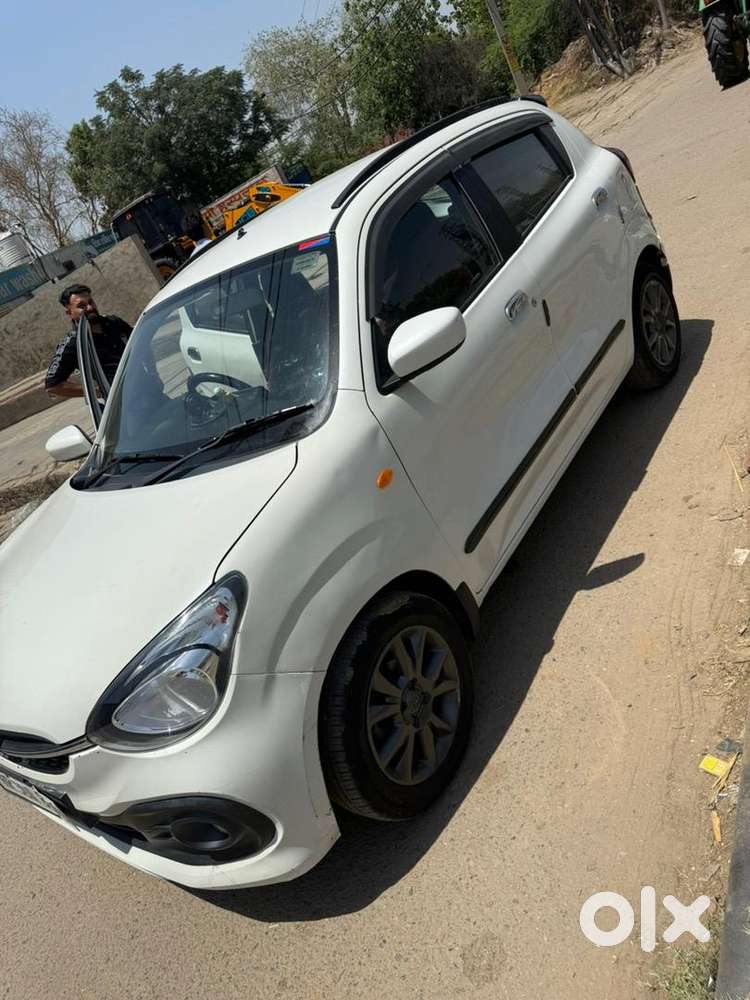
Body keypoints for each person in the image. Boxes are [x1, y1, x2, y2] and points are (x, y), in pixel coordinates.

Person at [45, 284, 132, 399]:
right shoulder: (74, 343)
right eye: (82, 306)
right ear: (69, 313)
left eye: (91, 302)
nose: (90, 308)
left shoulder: (114, 322)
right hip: (124, 404)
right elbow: (53, 386)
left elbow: (141, 344)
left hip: (151, 387)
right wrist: (96, 392)